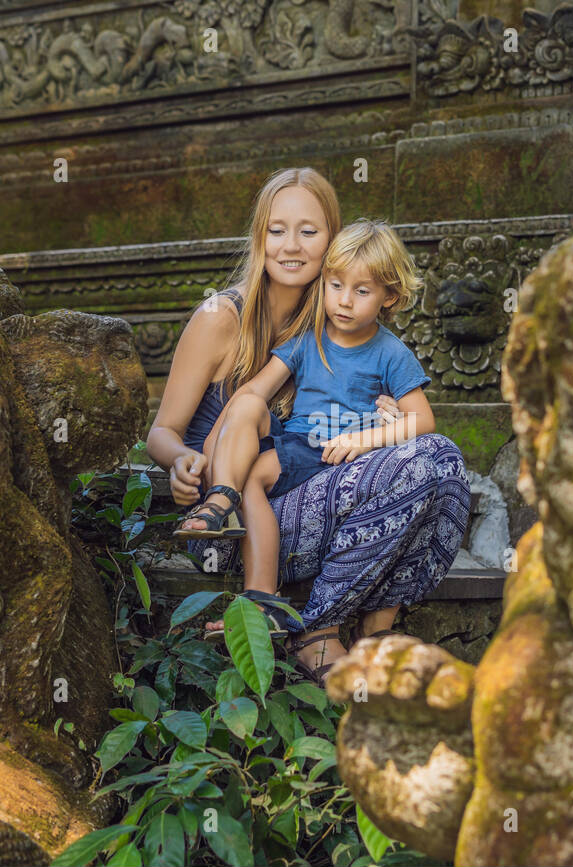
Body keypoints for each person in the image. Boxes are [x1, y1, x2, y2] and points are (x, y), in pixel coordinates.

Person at [145, 168, 470, 681]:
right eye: (277, 230)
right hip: (231, 525)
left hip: (315, 487)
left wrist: (380, 428)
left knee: (443, 461)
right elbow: (160, 432)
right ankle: (313, 629)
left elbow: (398, 416)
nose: (291, 245)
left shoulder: (336, 321)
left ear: (333, 241)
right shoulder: (221, 317)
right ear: (260, 238)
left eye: (309, 231)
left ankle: (376, 627)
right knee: (423, 460)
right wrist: (185, 460)